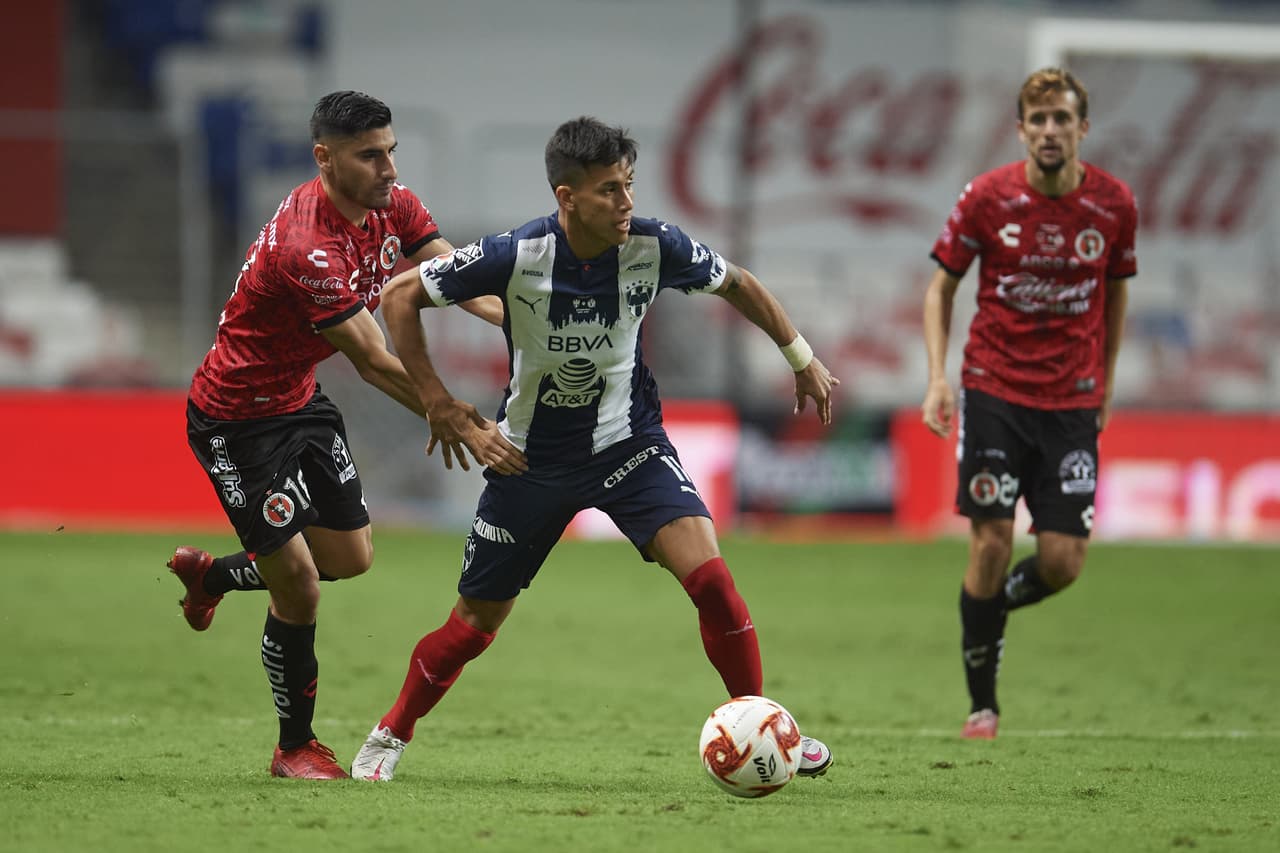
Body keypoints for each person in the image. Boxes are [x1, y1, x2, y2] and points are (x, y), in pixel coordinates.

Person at [347, 116, 840, 782]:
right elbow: (400, 296)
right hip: (528, 461)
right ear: (568, 197)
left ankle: (764, 727)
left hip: (627, 446)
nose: (626, 202)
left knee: (713, 583)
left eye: (629, 185)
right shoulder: (516, 254)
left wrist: (801, 357)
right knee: (473, 624)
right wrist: (438, 401)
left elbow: (739, 283)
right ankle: (391, 732)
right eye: (610, 190)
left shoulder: (656, 245)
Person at [166, 90, 522, 779]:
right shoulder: (307, 247)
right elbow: (373, 358)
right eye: (370, 156)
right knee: (300, 586)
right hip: (235, 420)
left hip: (300, 399)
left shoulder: (395, 205)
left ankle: (211, 575)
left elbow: (457, 278)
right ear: (324, 158)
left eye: (391, 151)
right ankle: (294, 747)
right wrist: (456, 415)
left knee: (351, 558)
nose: (389, 169)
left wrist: (522, 318)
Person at [920, 68, 1137, 739]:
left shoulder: (1114, 205)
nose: (1049, 131)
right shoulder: (987, 197)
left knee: (1064, 562)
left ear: (1082, 128)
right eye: (1038, 120)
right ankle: (982, 706)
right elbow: (940, 289)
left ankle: (989, 611)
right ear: (1020, 130)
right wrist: (938, 378)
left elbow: (1116, 293)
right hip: (995, 390)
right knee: (991, 541)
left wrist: (1106, 381)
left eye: (1061, 119)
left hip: (1071, 401)